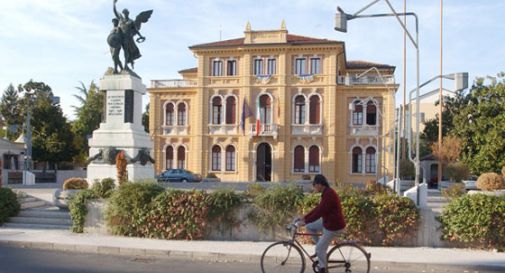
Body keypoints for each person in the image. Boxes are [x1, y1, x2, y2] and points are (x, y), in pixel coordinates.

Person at [298, 174, 346, 273]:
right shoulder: (326, 193)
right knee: (310, 227)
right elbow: (318, 209)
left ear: (320, 184)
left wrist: (305, 220)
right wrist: (305, 217)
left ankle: (323, 268)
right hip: (328, 221)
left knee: (320, 248)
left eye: (315, 185)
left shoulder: (329, 194)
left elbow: (320, 212)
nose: (314, 187)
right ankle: (320, 250)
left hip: (334, 226)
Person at [113, 0, 143, 70]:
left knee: (126, 51)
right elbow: (115, 11)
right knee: (115, 53)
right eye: (124, 13)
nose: (125, 14)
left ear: (128, 13)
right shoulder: (120, 18)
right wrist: (113, 4)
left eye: (126, 13)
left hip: (127, 39)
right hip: (119, 38)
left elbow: (135, 30)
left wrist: (140, 36)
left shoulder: (131, 21)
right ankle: (117, 67)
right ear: (123, 13)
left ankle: (125, 65)